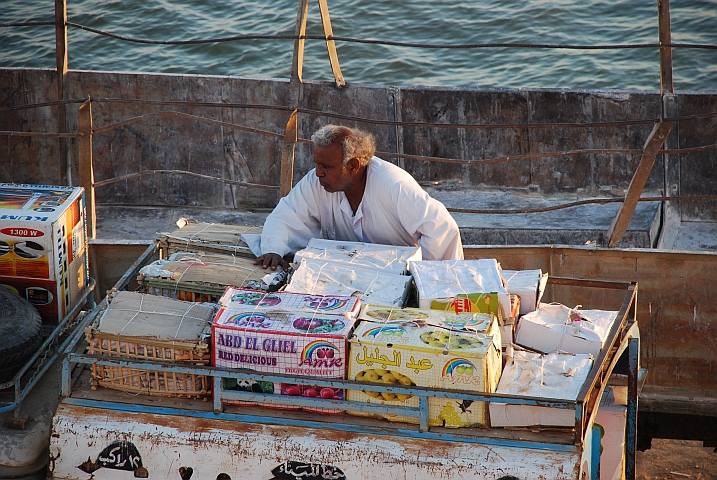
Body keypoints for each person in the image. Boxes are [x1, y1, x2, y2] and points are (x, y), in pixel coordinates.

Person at [255, 124, 463, 270]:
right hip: (349, 269)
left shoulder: (393, 186)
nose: (318, 172)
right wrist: (274, 249)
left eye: (326, 167)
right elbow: (287, 214)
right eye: (316, 164)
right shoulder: (315, 182)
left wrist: (424, 278)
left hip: (398, 272)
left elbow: (442, 228)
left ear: (353, 166)